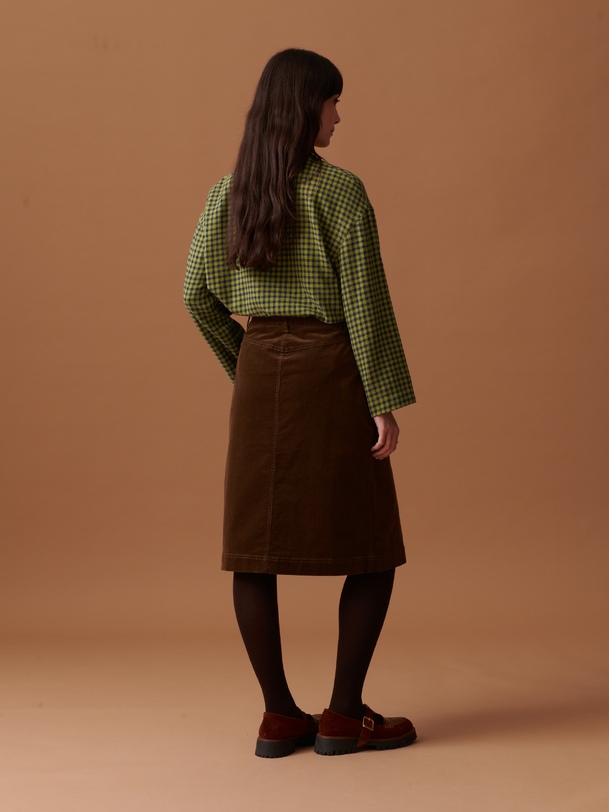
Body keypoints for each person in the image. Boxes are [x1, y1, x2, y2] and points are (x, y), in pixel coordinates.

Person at [184, 48, 417, 758]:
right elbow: (365, 304)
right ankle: (343, 715)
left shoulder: (226, 194)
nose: (338, 116)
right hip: (332, 372)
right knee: (371, 546)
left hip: (261, 371)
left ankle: (279, 716)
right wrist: (382, 399)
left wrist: (245, 367)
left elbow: (195, 295)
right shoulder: (338, 191)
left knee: (252, 552)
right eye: (332, 101)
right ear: (304, 106)